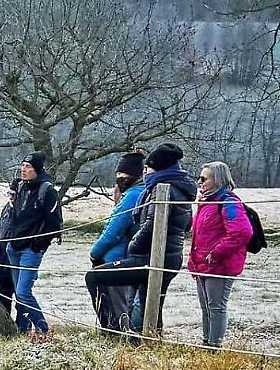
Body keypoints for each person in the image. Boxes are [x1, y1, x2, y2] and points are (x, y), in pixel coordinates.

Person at [89, 144, 196, 336]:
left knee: (95, 277)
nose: (145, 171)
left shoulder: (162, 189)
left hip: (152, 257)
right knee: (151, 304)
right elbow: (187, 225)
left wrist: (134, 245)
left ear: (159, 167)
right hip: (170, 256)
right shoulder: (181, 189)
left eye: (148, 167)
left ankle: (114, 332)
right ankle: (149, 341)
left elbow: (150, 225)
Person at [189, 161, 253, 348]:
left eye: (203, 179)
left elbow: (242, 231)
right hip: (203, 263)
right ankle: (206, 342)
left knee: (216, 307)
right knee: (206, 308)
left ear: (217, 180)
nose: (199, 182)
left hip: (220, 264)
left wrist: (217, 253)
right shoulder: (207, 202)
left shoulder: (229, 202)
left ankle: (214, 346)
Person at [84, 151, 146, 333]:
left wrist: (95, 252)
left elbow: (113, 230)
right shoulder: (136, 193)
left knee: (115, 303)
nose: (119, 179)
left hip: (115, 256)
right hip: (121, 253)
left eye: (122, 175)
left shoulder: (133, 195)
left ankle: (115, 334)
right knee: (120, 302)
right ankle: (115, 332)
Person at [6, 152, 63, 336]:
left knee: (23, 292)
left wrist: (39, 243)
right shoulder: (20, 188)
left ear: (37, 169)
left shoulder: (47, 191)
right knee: (18, 292)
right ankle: (23, 330)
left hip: (31, 249)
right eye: (22, 165)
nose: (23, 169)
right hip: (14, 246)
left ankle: (43, 330)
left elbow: (55, 222)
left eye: (28, 166)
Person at [0, 179, 19, 317]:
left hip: (18, 259)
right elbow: (1, 229)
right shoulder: (7, 208)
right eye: (9, 194)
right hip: (2, 259)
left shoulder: (24, 210)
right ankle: (4, 325)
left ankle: (22, 328)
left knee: (21, 297)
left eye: (14, 194)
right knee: (2, 295)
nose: (11, 197)